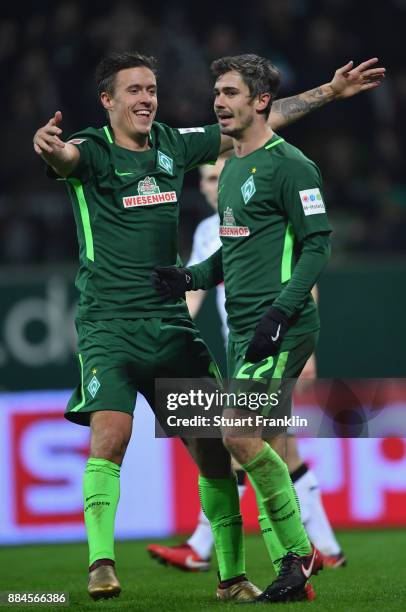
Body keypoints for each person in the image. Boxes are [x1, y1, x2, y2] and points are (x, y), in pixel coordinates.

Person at [33, 51, 384, 602]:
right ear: (108, 101)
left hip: (193, 330)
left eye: (152, 88)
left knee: (229, 443)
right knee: (126, 436)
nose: (147, 97)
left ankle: (263, 566)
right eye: (134, 90)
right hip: (115, 328)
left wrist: (329, 92)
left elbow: (265, 125)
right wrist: (53, 150)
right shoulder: (95, 150)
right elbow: (66, 159)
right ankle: (110, 563)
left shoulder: (183, 147)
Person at [152, 53, 339, 603]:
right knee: (254, 440)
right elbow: (228, 258)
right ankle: (294, 566)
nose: (218, 102)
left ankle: (299, 553)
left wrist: (281, 314)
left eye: (230, 93)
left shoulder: (293, 166)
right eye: (217, 92)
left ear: (260, 102)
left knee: (237, 435)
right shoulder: (230, 168)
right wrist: (187, 275)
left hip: (283, 324)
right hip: (243, 328)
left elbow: (318, 245)